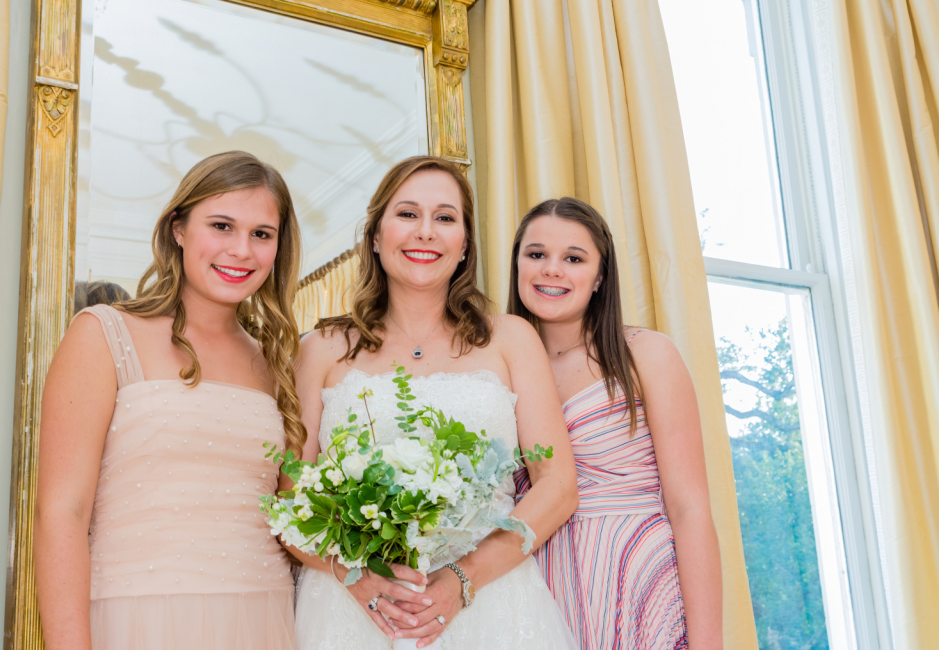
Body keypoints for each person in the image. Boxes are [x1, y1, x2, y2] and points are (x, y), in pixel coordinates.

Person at [289, 156, 580, 650]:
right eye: (407, 214)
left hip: (492, 602)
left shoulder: (511, 338)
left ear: (465, 244)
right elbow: (291, 504)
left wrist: (462, 580)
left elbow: (558, 485)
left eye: (445, 218)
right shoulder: (320, 348)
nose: (426, 232)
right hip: (352, 611)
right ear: (375, 236)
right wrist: (357, 575)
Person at [34, 151, 305, 650]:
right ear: (178, 228)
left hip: (262, 620)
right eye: (222, 225)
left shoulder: (279, 363)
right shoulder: (102, 335)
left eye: (261, 234)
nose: (241, 250)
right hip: (137, 622)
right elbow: (62, 513)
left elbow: (294, 520)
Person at [508, 197, 723, 649]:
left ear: (600, 277)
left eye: (573, 258)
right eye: (536, 254)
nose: (551, 269)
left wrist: (709, 643)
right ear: (517, 266)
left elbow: (690, 509)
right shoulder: (498, 370)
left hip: (638, 581)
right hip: (535, 591)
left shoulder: (646, 354)